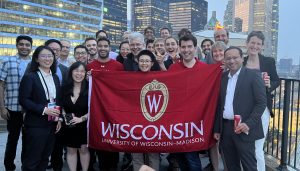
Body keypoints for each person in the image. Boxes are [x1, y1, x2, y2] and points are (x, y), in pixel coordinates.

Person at [214, 46, 267, 171]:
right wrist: (217, 129)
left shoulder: (253, 76)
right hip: (226, 129)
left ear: (242, 58)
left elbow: (261, 103)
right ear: (225, 61)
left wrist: (248, 124)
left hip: (244, 128)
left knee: (249, 166)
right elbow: (219, 105)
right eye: (228, 58)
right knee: (231, 165)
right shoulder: (222, 77)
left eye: (235, 57)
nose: (232, 61)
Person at [19, 45, 62, 171]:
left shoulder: (55, 77)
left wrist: (58, 118)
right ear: (37, 59)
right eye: (43, 56)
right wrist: (43, 110)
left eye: (50, 56)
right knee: (32, 160)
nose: (47, 59)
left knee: (45, 158)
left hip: (52, 123)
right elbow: (23, 100)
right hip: (36, 124)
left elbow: (57, 100)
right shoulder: (30, 77)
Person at [169, 35, 207, 171]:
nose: (186, 50)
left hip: (195, 123)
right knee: (181, 159)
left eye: (189, 46)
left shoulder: (205, 69)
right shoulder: (173, 69)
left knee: (192, 159)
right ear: (179, 48)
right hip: (177, 123)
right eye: (183, 47)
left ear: (195, 48)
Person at [243, 31, 280, 171]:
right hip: (244, 108)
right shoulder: (242, 61)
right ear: (247, 44)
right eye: (252, 42)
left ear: (262, 46)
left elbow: (276, 80)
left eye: (258, 44)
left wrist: (269, 84)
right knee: (245, 146)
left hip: (262, 108)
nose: (255, 46)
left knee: (257, 146)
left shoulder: (268, 61)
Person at [87, 37, 122, 171]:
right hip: (97, 111)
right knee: (99, 142)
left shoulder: (118, 66)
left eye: (105, 46)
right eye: (100, 46)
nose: (102, 48)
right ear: (96, 48)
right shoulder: (90, 66)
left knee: (113, 142)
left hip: (114, 111)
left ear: (109, 48)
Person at [0, 35, 32, 171]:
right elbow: (1, 85)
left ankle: (26, 165)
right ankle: (9, 166)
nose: (24, 47)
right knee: (12, 140)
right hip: (13, 108)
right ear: (17, 45)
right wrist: (2, 107)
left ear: (31, 47)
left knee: (28, 140)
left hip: (30, 110)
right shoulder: (7, 61)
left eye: (27, 45)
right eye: (21, 44)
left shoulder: (34, 63)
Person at [131, 50, 161, 171]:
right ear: (138, 62)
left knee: (153, 154)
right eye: (141, 61)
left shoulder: (160, 77)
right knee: (136, 154)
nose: (144, 63)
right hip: (134, 121)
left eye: (147, 61)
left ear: (152, 63)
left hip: (154, 120)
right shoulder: (129, 77)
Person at [62, 61, 89, 171]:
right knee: (71, 150)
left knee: (83, 150)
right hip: (69, 124)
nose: (79, 74)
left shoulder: (90, 88)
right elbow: (60, 105)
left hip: (85, 124)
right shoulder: (64, 88)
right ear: (71, 72)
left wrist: (81, 119)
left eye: (82, 71)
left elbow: (95, 109)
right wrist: (65, 117)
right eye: (76, 70)